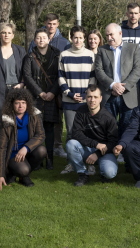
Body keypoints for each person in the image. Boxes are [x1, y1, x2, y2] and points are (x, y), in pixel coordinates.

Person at [27, 13, 71, 159]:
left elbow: (63, 68)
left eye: (54, 23)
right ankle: (38, 152)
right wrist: (39, 92)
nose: (51, 26)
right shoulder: (35, 42)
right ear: (45, 23)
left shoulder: (64, 42)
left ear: (58, 24)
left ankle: (57, 146)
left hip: (55, 88)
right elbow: (29, 67)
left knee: (56, 120)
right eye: (48, 23)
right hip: (38, 90)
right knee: (36, 122)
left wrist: (54, 91)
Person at [0, 22, 27, 161]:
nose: (6, 35)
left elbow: (26, 72)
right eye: (3, 32)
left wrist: (22, 84)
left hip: (16, 91)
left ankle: (13, 151)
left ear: (13, 35)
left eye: (8, 33)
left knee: (15, 123)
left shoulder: (20, 51)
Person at [93, 23, 140, 140]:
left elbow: (137, 70)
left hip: (128, 94)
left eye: (111, 34)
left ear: (120, 33)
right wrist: (112, 85)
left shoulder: (133, 48)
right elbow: (99, 71)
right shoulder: (102, 50)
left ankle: (122, 150)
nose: (109, 38)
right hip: (108, 94)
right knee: (109, 125)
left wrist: (122, 88)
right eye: (107, 35)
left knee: (126, 125)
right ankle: (110, 151)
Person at [57, 25, 95, 175]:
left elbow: (93, 77)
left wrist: (87, 94)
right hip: (69, 101)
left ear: (84, 38)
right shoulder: (64, 54)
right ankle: (72, 163)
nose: (77, 40)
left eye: (80, 37)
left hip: (86, 101)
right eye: (75, 37)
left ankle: (90, 163)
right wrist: (70, 93)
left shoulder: (90, 55)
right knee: (72, 133)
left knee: (87, 133)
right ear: (71, 38)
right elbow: (60, 77)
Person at [21, 28, 60, 170]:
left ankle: (49, 160)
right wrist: (40, 93)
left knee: (49, 128)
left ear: (49, 39)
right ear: (34, 40)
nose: (41, 40)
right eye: (38, 37)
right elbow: (27, 77)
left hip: (51, 97)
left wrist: (53, 92)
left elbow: (60, 75)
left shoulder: (57, 54)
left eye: (44, 37)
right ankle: (37, 159)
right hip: (35, 98)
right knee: (35, 129)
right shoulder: (29, 57)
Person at [66, 85, 119, 186]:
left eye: (95, 97)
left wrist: (97, 154)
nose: (92, 100)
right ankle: (83, 174)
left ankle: (103, 171)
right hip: (87, 148)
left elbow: (113, 142)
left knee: (110, 173)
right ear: (85, 97)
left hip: (104, 151)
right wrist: (95, 144)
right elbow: (76, 133)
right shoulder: (81, 111)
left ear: (100, 99)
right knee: (71, 144)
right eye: (90, 97)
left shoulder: (108, 117)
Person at [0, 88, 47, 189]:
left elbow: (40, 135)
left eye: (23, 102)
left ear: (27, 103)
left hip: (26, 151)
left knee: (42, 150)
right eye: (17, 103)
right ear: (11, 104)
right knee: (24, 170)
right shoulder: (5, 119)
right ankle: (12, 172)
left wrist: (26, 148)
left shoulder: (34, 115)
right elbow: (0, 148)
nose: (20, 106)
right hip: (12, 153)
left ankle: (23, 177)